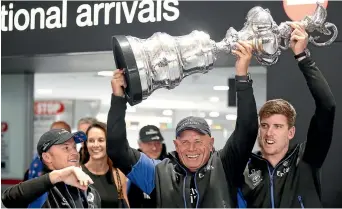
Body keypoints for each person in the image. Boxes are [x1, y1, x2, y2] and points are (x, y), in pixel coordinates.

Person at [107, 41, 259, 208]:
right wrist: (118, 99)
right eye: (185, 142)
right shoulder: (158, 174)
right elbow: (116, 149)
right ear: (176, 146)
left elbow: (247, 128)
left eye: (198, 141)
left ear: (211, 144)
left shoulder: (225, 165)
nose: (191, 149)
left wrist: (242, 77)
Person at [241, 22, 336, 208]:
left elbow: (327, 106)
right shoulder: (246, 167)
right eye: (265, 125)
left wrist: (302, 56)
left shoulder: (306, 159)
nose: (269, 133)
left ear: (291, 132)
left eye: (278, 126)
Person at [2, 129, 101, 208]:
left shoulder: (90, 192)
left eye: (74, 147)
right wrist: (58, 176)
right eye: (66, 148)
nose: (75, 153)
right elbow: (8, 198)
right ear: (47, 157)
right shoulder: (40, 190)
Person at [81, 121, 130, 208]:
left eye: (101, 140)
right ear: (86, 144)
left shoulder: (118, 174)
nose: (96, 145)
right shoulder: (78, 173)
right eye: (91, 141)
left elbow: (125, 205)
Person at [127, 125, 167, 208]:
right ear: (139, 144)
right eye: (149, 144)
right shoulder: (129, 167)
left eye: (157, 143)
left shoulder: (170, 166)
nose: (154, 148)